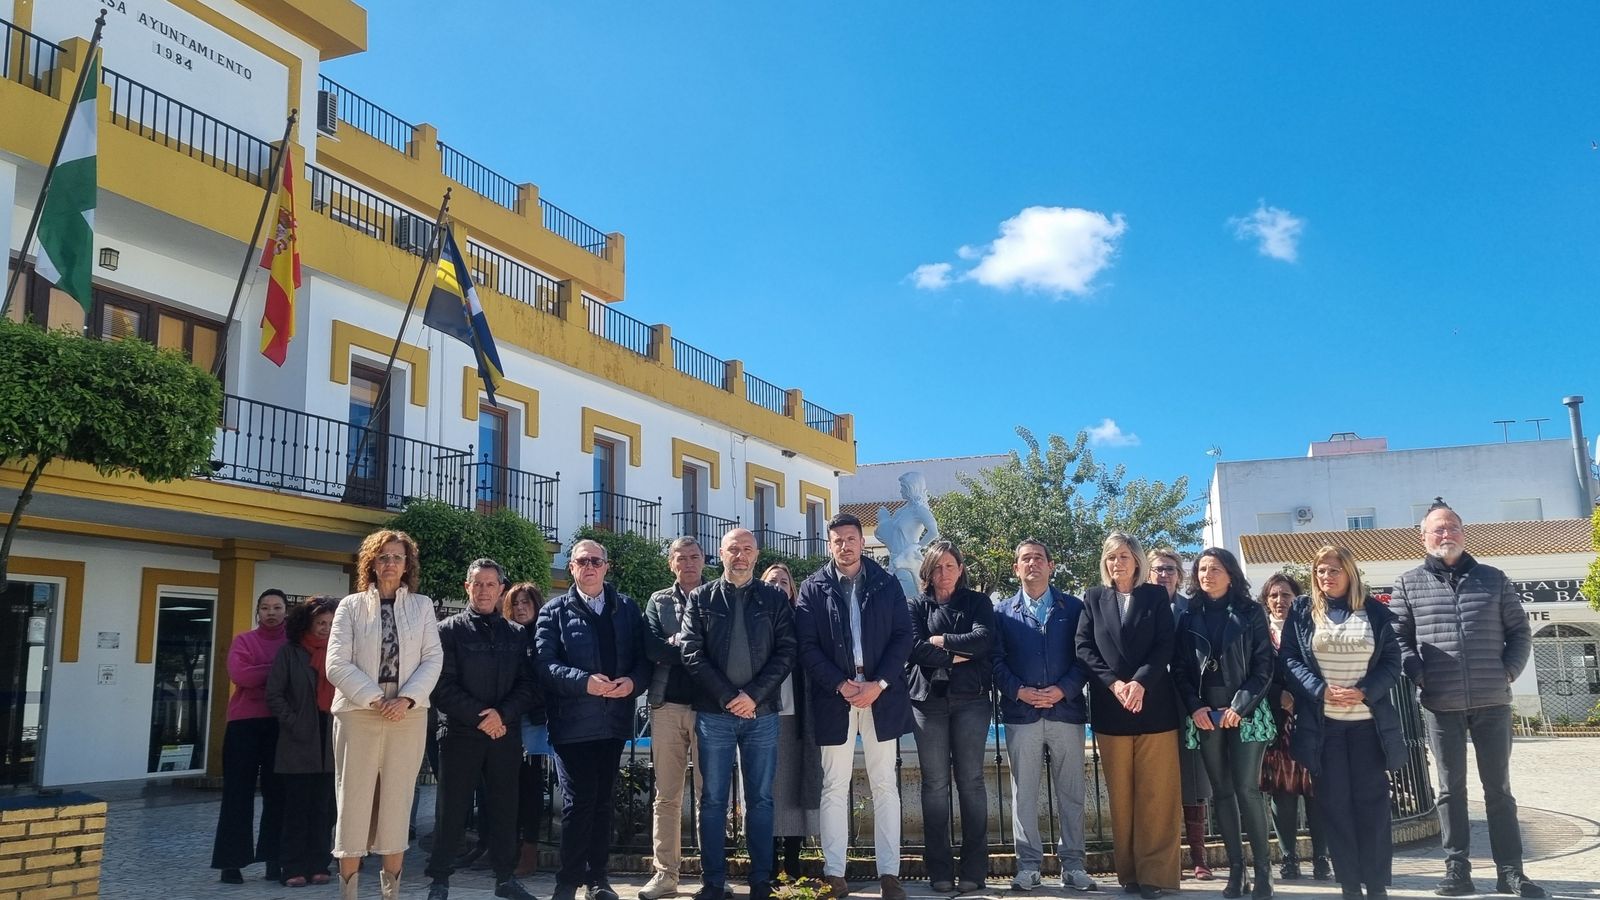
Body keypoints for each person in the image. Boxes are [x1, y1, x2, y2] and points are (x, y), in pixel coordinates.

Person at [1391, 499, 1544, 898]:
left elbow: (1520, 632)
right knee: (1449, 791)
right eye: (1438, 529)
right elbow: (1399, 639)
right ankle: (1457, 869)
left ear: (1464, 532)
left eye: (1453, 527)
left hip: (1492, 701)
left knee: (1499, 790)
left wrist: (1507, 672)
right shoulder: (1407, 584)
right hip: (1440, 703)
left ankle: (1511, 871)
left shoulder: (1494, 578)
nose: (1446, 535)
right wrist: (1421, 676)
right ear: (1422, 537)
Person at [794, 512, 913, 900]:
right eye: (837, 540)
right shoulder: (813, 588)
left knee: (884, 785)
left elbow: (903, 637)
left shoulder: (886, 583)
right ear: (829, 545)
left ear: (862, 542)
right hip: (836, 698)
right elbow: (807, 646)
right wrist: (841, 684)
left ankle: (890, 875)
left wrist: (877, 685)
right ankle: (834, 875)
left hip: (881, 696)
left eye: (851, 538)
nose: (845, 546)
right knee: (834, 786)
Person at [1279, 546, 1406, 900]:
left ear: (1350, 572)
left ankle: (1377, 885)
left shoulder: (1375, 612)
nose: (1326, 577)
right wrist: (1319, 691)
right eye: (1320, 570)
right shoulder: (1303, 611)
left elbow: (1392, 664)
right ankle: (1350, 885)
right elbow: (1289, 659)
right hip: (1325, 728)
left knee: (1373, 806)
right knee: (1335, 807)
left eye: (1333, 570)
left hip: (1368, 726)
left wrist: (1365, 691)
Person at [679, 528, 798, 900]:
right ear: (721, 553)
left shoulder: (774, 599)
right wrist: (731, 696)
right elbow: (690, 651)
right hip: (715, 713)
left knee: (760, 799)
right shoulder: (701, 597)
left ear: (757, 555)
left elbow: (787, 651)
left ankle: (760, 880)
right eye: (734, 548)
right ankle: (713, 882)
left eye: (747, 549)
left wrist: (753, 696)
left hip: (761, 714)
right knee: (712, 799)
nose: (741, 555)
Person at [327, 530, 444, 900]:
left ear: (407, 564)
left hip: (407, 716)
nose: (390, 563)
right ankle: (349, 893)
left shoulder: (423, 606)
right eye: (383, 557)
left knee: (397, 800)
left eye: (397, 557)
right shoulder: (350, 606)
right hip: (359, 713)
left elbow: (432, 658)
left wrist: (406, 699)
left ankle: (390, 893)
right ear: (371, 564)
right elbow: (336, 663)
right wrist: (376, 699)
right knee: (354, 800)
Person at [536, 539, 651, 900]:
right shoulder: (552, 612)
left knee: (603, 802)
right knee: (578, 801)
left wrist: (633, 682)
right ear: (571, 567)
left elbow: (643, 659)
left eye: (595, 561)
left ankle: (599, 880)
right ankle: (567, 882)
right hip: (572, 725)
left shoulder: (627, 609)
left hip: (613, 723)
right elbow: (544, 665)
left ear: (606, 566)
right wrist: (584, 682)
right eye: (581, 561)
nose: (589, 567)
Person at [425, 560, 539, 900]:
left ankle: (505, 878)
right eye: (478, 584)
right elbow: (441, 686)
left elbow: (529, 685)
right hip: (461, 732)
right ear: (467, 587)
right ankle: (440, 881)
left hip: (504, 731)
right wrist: (480, 716)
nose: (485, 590)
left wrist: (501, 715)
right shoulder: (447, 631)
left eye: (491, 584)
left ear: (501, 589)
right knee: (452, 808)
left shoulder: (517, 634)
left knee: (506, 807)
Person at [1077, 533, 1181, 899]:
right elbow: (1084, 647)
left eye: (1123, 556)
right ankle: (1131, 874)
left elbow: (1165, 644)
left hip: (1154, 708)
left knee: (1157, 795)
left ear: (1136, 561)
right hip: (1111, 710)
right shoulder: (1092, 598)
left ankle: (1156, 875)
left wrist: (1139, 683)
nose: (1116, 563)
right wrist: (1114, 685)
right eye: (1110, 557)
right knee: (1121, 798)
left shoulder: (1154, 596)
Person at [992, 538, 1096, 892]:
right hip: (1022, 714)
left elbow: (1087, 657)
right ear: (1016, 568)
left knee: (1072, 792)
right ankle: (1029, 866)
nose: (1032, 563)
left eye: (1039, 558)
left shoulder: (1075, 608)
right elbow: (995, 662)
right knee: (1024, 794)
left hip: (1066, 711)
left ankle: (1074, 865)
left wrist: (1063, 689)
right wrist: (1018, 690)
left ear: (1051, 566)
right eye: (1026, 559)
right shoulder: (1001, 613)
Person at [1172, 548, 1275, 900]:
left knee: (1247, 789)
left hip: (1245, 710)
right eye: (1201, 569)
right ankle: (1236, 870)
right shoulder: (1189, 616)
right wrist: (1195, 707)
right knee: (1222, 792)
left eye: (1215, 568)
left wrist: (1241, 705)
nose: (1207, 575)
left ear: (1230, 574)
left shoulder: (1250, 612)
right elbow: (1181, 670)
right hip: (1206, 714)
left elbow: (1264, 666)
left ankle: (1263, 871)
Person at [905, 540, 993, 893]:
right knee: (934, 786)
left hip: (971, 700)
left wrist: (941, 641)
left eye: (950, 566)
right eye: (937, 567)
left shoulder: (977, 602)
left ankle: (975, 869)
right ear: (927, 570)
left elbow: (984, 640)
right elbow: (914, 648)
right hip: (928, 703)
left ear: (960, 569)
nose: (944, 573)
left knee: (971, 783)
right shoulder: (914, 605)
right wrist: (956, 653)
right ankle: (939, 870)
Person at [641, 537, 707, 900]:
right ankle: (665, 874)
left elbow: (719, 646)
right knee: (666, 796)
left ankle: (711, 874)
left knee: (709, 794)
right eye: (680, 558)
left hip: (708, 707)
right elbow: (651, 648)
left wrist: (677, 644)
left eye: (694, 557)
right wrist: (692, 647)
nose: (688, 563)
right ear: (671, 564)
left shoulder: (716, 595)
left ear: (703, 561)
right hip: (666, 705)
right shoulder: (657, 601)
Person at [212, 588, 289, 884]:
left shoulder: (292, 643)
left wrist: (262, 671)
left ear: (285, 611)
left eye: (277, 607)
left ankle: (275, 860)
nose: (271, 612)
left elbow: (294, 676)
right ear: (258, 612)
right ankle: (230, 863)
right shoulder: (244, 640)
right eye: (265, 607)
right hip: (243, 725)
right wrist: (277, 671)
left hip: (279, 725)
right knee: (236, 794)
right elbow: (240, 676)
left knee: (278, 793)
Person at [1256, 573, 1330, 882]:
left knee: (1317, 793)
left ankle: (1322, 859)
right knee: (1282, 795)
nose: (1279, 600)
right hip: (1277, 723)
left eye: (1285, 595)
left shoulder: (1311, 628)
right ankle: (1288, 858)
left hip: (1311, 718)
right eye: (1273, 595)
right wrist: (1278, 696)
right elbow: (1254, 671)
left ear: (1296, 598)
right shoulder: (1260, 633)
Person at [265, 596, 339, 888]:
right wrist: (293, 721)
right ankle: (292, 866)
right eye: (320, 623)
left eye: (331, 624)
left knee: (324, 809)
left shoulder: (340, 654)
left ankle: (319, 863)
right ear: (307, 623)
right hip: (299, 741)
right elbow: (274, 694)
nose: (325, 629)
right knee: (296, 809)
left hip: (331, 740)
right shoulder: (290, 652)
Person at [1149, 547, 1213, 881]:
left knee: (1191, 777)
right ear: (1148, 572)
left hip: (1187, 701)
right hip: (1150, 702)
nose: (1164, 575)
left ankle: (1199, 857)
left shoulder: (1192, 610)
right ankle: (1165, 857)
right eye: (1158, 569)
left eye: (1170, 569)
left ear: (1180, 574)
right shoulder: (1140, 606)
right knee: (1157, 782)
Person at [760, 563, 821, 881]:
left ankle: (793, 861)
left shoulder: (802, 621)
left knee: (795, 789)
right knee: (766, 789)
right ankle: (769, 862)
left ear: (792, 590)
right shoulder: (755, 619)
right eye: (771, 580)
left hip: (797, 716)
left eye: (784, 581)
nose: (778, 585)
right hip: (763, 715)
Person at [504, 582, 550, 879]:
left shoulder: (545, 637)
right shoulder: (505, 635)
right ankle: (505, 846)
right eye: (516, 603)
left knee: (531, 786)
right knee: (507, 787)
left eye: (526, 603)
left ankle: (529, 849)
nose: (521, 608)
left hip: (535, 720)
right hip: (507, 719)